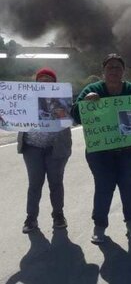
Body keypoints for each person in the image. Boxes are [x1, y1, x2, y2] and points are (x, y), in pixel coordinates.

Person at [71, 54, 131, 244]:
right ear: (103, 71)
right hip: (100, 152)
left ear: (123, 71)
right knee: (104, 188)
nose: (114, 70)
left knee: (129, 187)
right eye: (110, 67)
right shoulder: (92, 89)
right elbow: (75, 115)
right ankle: (99, 226)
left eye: (118, 67)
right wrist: (85, 103)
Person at [19, 68, 72, 233]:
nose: (44, 82)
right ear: (36, 83)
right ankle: (31, 218)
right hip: (32, 147)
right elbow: (13, 113)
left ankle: (58, 215)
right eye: (41, 79)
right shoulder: (25, 98)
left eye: (48, 79)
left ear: (54, 83)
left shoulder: (63, 98)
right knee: (35, 184)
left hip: (55, 148)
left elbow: (74, 116)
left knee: (56, 183)